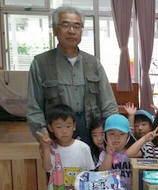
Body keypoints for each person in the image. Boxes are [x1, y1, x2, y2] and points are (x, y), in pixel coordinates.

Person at [27, 5, 117, 146]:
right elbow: (34, 107)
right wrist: (42, 134)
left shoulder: (93, 63)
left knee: (93, 167)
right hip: (56, 134)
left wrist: (112, 133)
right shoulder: (40, 63)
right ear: (55, 30)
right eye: (65, 25)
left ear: (81, 31)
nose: (71, 31)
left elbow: (108, 104)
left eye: (77, 26)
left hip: (91, 132)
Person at [37, 104, 94, 190]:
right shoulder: (52, 149)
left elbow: (90, 173)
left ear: (74, 126)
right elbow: (47, 168)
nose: (64, 131)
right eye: (59, 127)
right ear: (51, 128)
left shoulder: (83, 148)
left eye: (68, 126)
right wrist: (45, 148)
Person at [97, 114, 134, 190]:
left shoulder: (134, 153)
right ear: (105, 135)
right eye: (111, 134)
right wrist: (109, 155)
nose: (116, 137)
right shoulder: (104, 154)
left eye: (122, 134)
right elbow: (102, 174)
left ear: (128, 136)